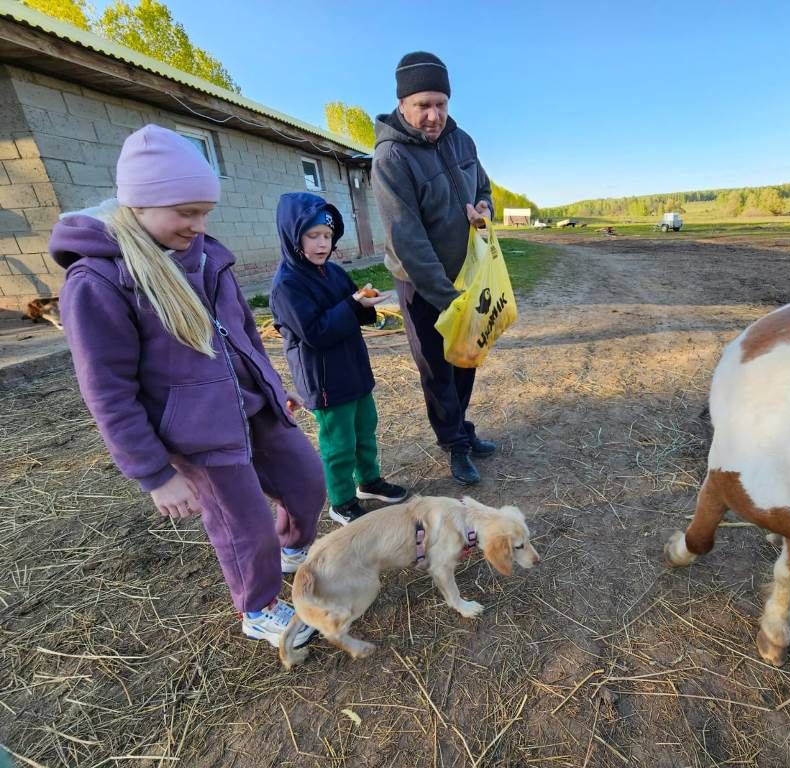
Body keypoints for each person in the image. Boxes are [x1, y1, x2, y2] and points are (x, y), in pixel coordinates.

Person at [49, 124, 324, 652]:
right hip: (198, 432)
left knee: (307, 481)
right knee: (244, 528)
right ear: (140, 203)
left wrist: (271, 385)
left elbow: (243, 330)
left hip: (250, 406)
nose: (198, 225)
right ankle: (258, 607)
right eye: (186, 212)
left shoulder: (207, 256)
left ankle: (291, 551)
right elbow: (107, 390)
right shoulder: (99, 281)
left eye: (205, 212)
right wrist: (154, 473)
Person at [372, 50, 497, 486]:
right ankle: (454, 445)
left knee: (466, 357)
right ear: (403, 105)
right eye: (423, 104)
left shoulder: (462, 141)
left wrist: (485, 207)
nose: (433, 115)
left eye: (441, 104)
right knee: (436, 365)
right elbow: (407, 239)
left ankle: (462, 430)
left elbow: (483, 185)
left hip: (467, 274)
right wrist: (448, 298)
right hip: (421, 284)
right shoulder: (391, 158)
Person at [270, 192, 408, 524]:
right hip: (325, 379)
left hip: (354, 372)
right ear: (293, 237)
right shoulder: (287, 286)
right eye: (313, 236)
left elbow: (351, 309)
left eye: (328, 236)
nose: (322, 244)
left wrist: (365, 305)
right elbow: (315, 332)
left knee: (365, 430)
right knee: (339, 442)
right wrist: (352, 306)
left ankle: (369, 481)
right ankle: (342, 500)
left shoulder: (332, 272)